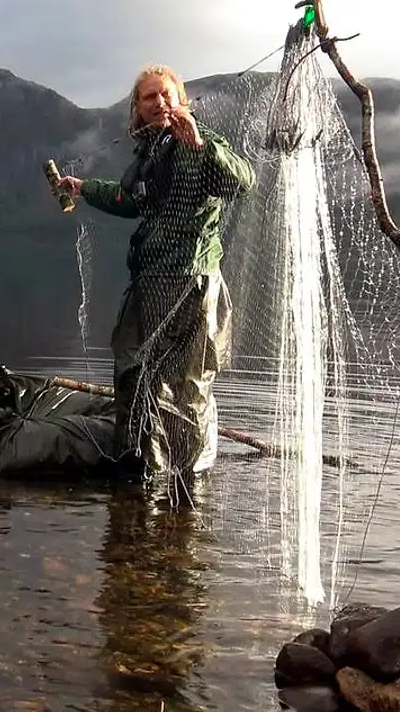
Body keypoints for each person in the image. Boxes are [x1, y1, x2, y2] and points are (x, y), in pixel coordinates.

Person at [56, 64, 254, 500]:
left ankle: (190, 481)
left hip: (192, 280)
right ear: (139, 110)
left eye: (167, 95)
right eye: (150, 97)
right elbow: (131, 201)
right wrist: (83, 188)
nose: (160, 103)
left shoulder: (200, 141)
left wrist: (201, 146)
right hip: (149, 279)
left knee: (187, 385)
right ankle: (142, 466)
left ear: (181, 100)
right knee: (133, 369)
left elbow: (241, 181)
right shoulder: (148, 153)